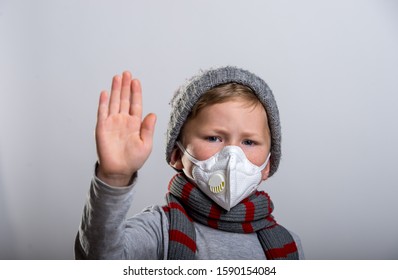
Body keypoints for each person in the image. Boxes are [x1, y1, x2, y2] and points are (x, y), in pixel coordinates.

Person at [75, 66, 304, 259]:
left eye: (249, 142)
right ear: (176, 154)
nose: (232, 157)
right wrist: (114, 178)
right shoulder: (159, 229)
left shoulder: (289, 245)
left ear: (267, 164)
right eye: (214, 138)